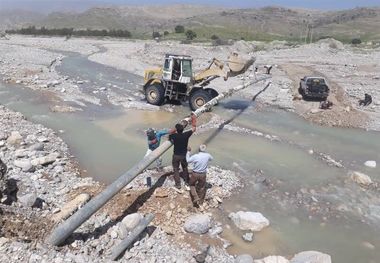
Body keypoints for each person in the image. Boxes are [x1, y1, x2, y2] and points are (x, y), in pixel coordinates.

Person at [169, 114, 197, 189]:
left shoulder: (174, 136)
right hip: (183, 155)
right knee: (185, 168)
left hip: (176, 155)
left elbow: (170, 132)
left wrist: (176, 127)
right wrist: (194, 119)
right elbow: (194, 128)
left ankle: (178, 184)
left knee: (176, 169)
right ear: (183, 129)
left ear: (177, 130)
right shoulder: (186, 135)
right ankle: (187, 182)